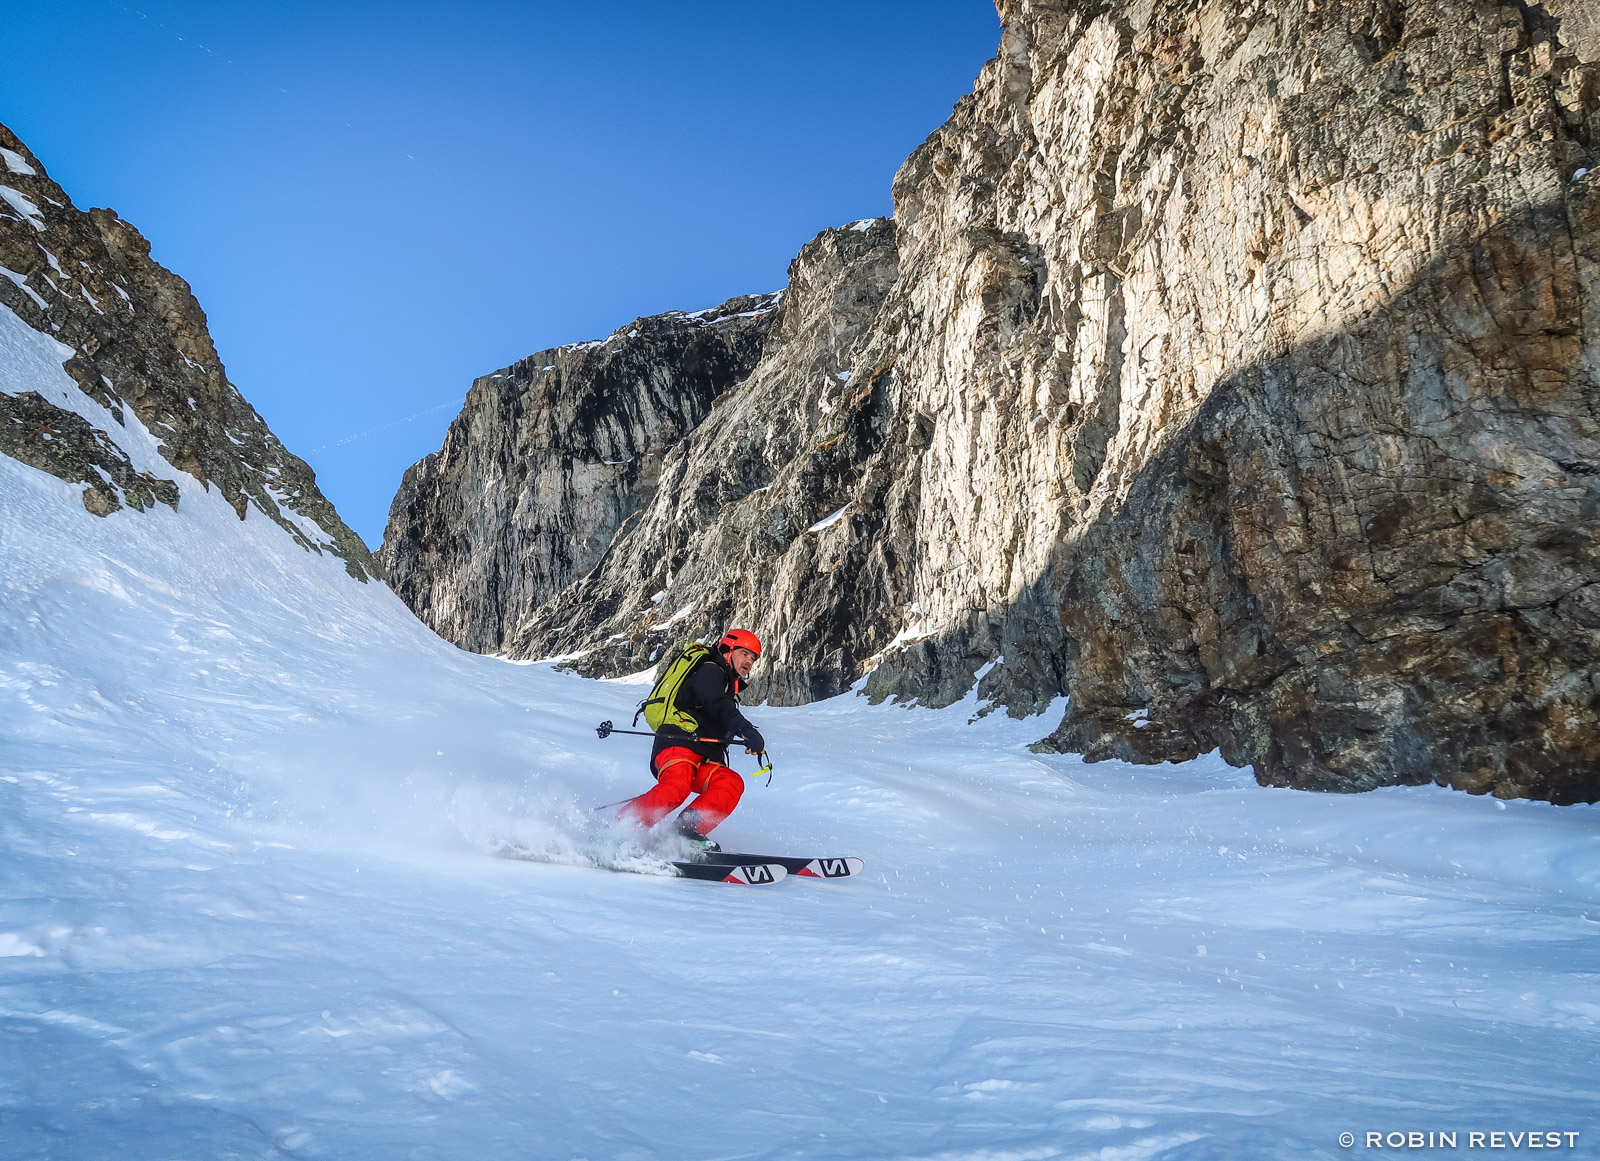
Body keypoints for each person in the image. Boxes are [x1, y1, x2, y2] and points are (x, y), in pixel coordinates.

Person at [618, 629, 767, 849]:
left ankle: (685, 831)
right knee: (677, 788)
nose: (749, 661)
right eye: (745, 653)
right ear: (728, 650)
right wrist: (745, 729)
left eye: (753, 658)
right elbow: (717, 703)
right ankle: (621, 829)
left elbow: (719, 708)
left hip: (705, 757)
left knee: (730, 783)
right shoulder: (709, 671)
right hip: (678, 746)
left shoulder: (726, 684)